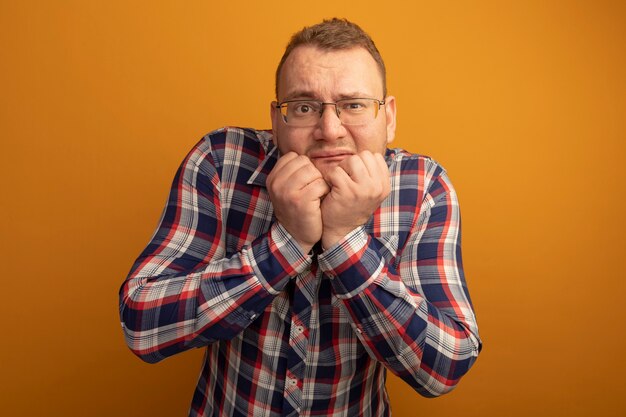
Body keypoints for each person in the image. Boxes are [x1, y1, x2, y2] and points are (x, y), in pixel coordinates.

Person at [119, 18, 482, 417]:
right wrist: (284, 245)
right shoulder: (221, 163)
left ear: (389, 117)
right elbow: (142, 324)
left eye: (354, 105)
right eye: (305, 107)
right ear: (276, 120)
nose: (329, 130)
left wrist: (346, 242)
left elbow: (444, 368)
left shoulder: (424, 187)